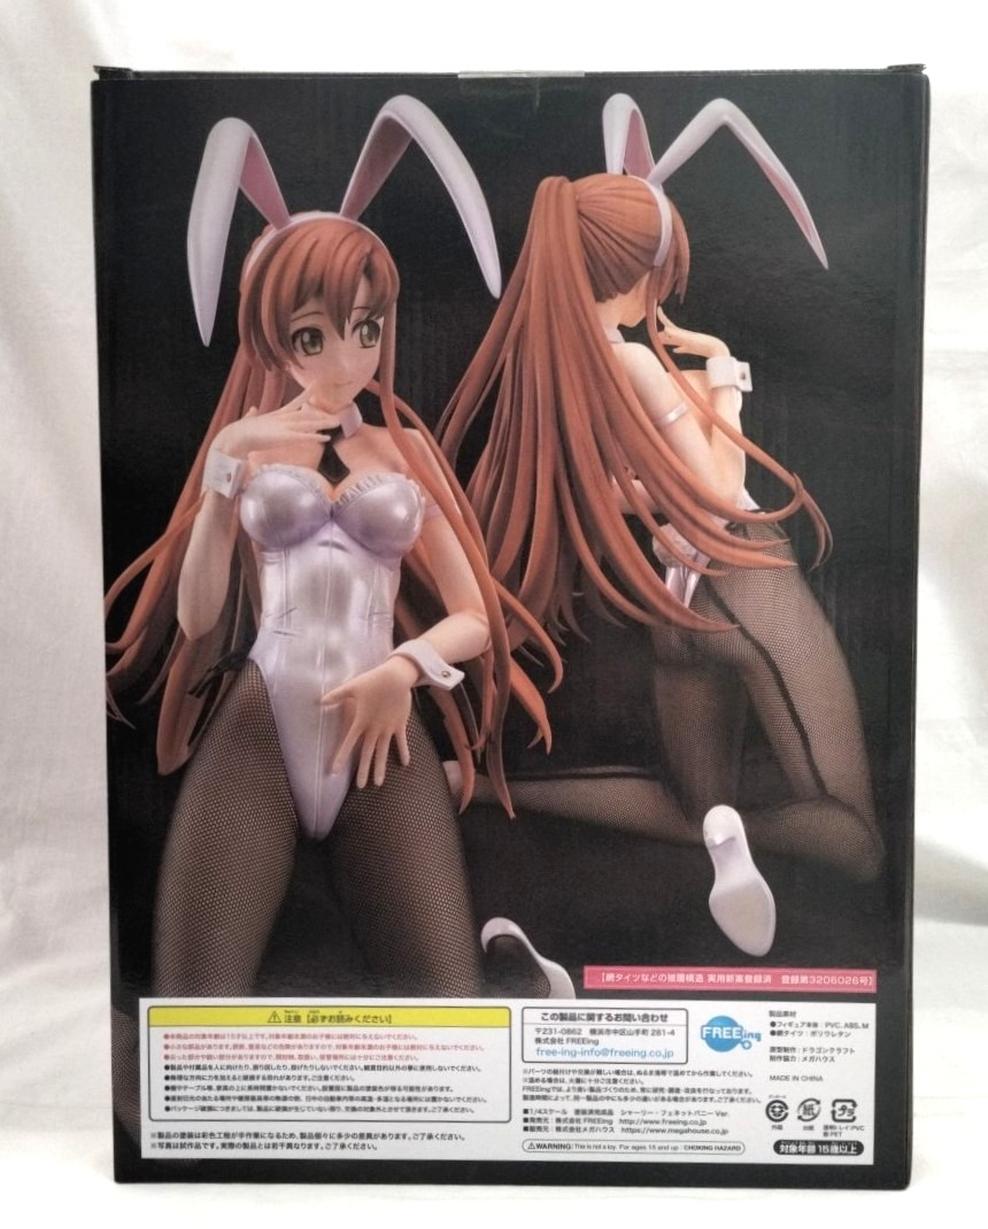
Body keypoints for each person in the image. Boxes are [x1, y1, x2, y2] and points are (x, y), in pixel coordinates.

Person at [104, 99, 572, 1139]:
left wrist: (404, 670)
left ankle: (512, 978)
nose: (346, 358)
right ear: (275, 337)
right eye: (314, 336)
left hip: (379, 735)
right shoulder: (244, 442)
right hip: (259, 726)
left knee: (451, 1038)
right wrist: (220, 492)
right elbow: (198, 616)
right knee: (187, 1035)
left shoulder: (400, 453)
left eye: (367, 329)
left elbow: (472, 616)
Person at [438, 97, 884, 954]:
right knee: (858, 841)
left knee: (690, 805)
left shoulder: (555, 366)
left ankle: (488, 785)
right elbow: (720, 491)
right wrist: (723, 375)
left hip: (672, 603)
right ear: (643, 266)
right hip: (742, 575)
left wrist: (649, 486)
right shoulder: (635, 359)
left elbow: (611, 492)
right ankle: (734, 834)